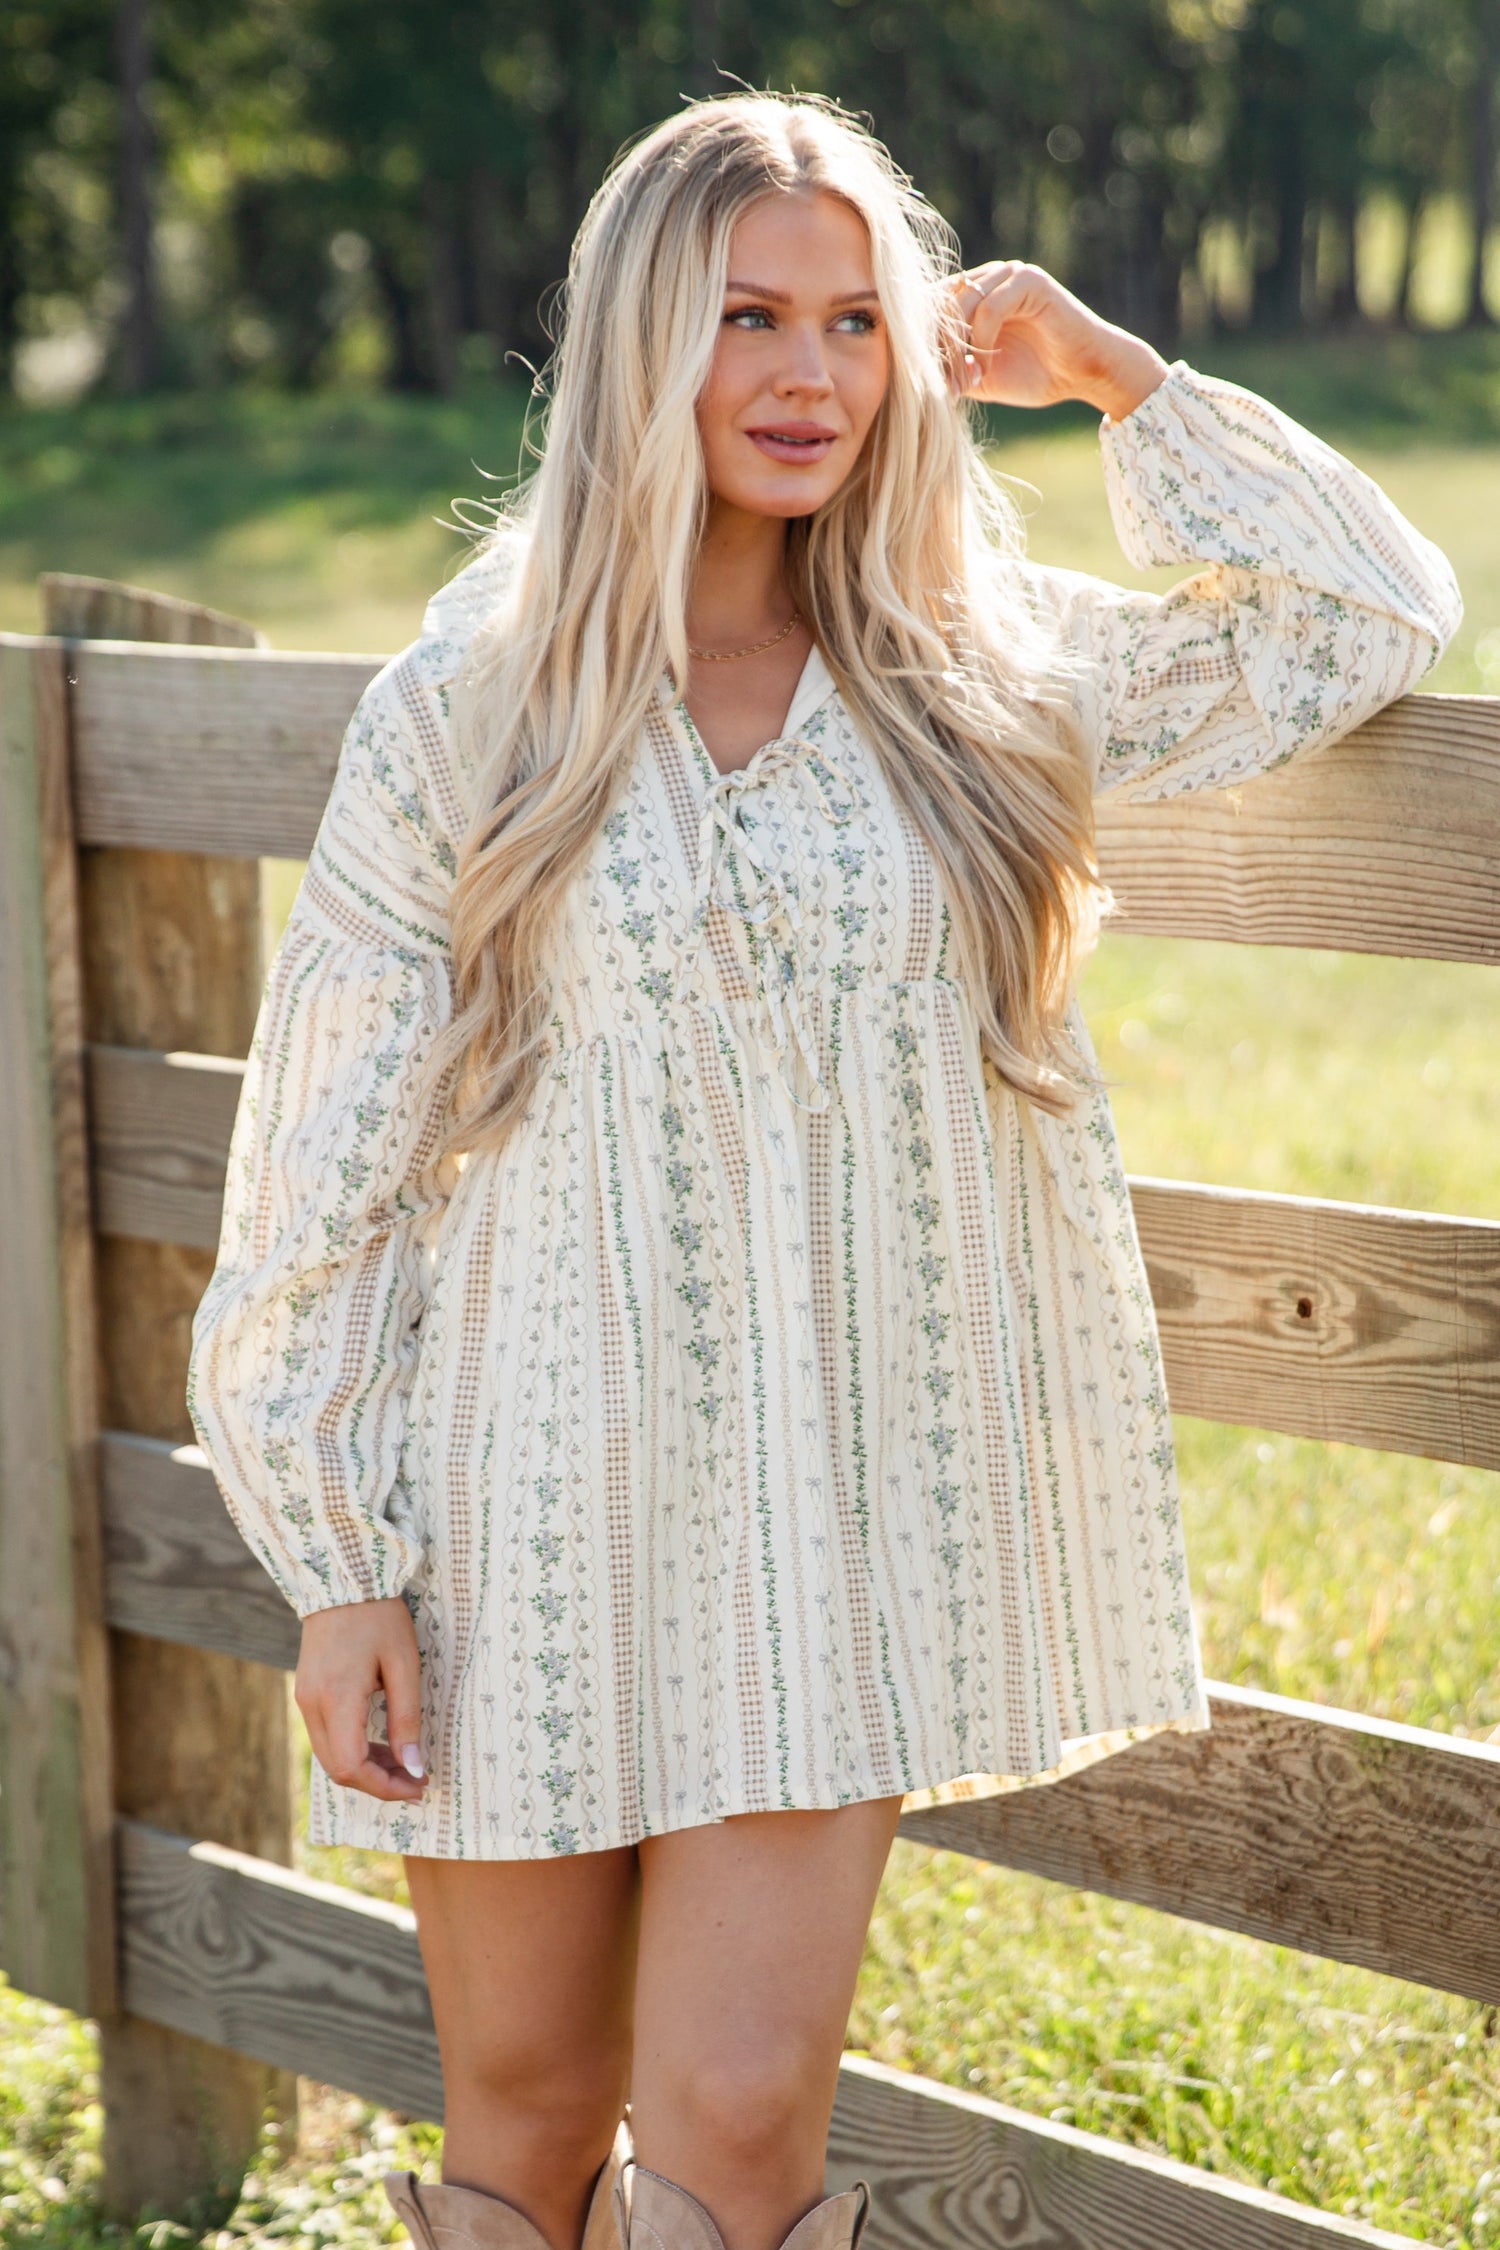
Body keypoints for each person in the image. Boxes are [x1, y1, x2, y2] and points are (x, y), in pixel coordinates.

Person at [186, 88, 1460, 2250]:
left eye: (856, 323)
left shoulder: (983, 671)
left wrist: (1114, 375)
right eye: (747, 318)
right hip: (513, 1503)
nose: (805, 377)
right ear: (634, 350)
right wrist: (333, 1558)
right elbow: (324, 1160)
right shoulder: (472, 707)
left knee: (746, 2110)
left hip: (831, 1514)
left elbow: (1363, 613)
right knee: (515, 2108)